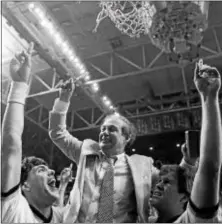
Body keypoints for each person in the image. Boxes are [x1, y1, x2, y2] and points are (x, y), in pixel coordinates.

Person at [49, 81, 196, 222]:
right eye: (103, 129)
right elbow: (57, 133)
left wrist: (188, 160)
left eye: (112, 129)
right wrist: (63, 99)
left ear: (126, 137)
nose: (104, 132)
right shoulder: (86, 151)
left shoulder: (142, 166)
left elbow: (174, 181)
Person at [149, 60, 222, 222]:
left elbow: (210, 168)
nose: (158, 185)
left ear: (185, 199)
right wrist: (188, 161)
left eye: (166, 182)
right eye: (161, 181)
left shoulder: (192, 220)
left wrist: (209, 97)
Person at [1, 44, 63, 223]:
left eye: (48, 169)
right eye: (41, 170)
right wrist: (19, 86)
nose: (52, 171)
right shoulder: (12, 209)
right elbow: (11, 143)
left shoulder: (64, 216)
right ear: (24, 185)